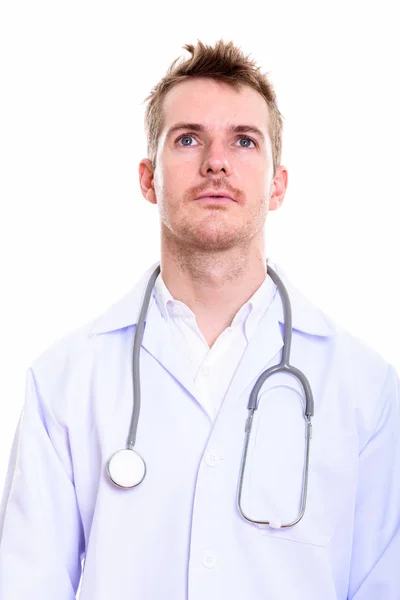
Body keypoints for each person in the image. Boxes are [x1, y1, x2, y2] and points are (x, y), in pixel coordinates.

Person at [0, 39, 399, 600]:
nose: (216, 161)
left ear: (277, 185)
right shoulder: (64, 380)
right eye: (187, 139)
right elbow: (27, 585)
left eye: (244, 140)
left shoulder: (365, 386)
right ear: (147, 179)